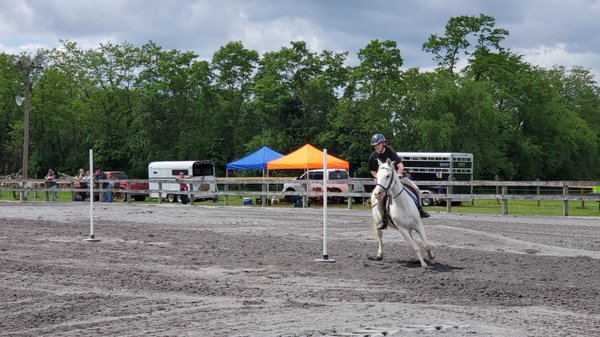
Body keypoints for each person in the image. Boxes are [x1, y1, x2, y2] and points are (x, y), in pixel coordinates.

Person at [368, 134, 430, 229]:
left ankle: (420, 210)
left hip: (396, 176)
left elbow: (400, 166)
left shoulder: (390, 152)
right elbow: (372, 171)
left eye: (378, 144)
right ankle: (382, 219)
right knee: (379, 198)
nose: (377, 147)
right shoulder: (373, 157)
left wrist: (397, 175)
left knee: (416, 189)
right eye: (375, 145)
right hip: (382, 181)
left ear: (383, 143)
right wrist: (379, 178)